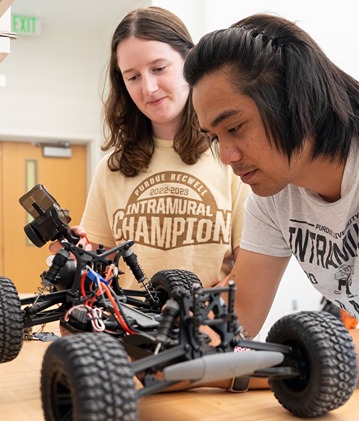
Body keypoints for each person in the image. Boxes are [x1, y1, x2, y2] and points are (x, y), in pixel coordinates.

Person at [183, 13, 359, 411]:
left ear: (295, 100)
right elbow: (236, 318)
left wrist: (237, 365)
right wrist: (163, 352)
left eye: (236, 127)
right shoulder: (272, 194)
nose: (227, 156)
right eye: (215, 138)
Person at [74, 7, 249, 291]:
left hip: (208, 330)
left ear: (189, 63)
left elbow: (248, 273)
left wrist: (199, 324)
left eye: (158, 68)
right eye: (133, 77)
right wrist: (73, 256)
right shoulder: (111, 169)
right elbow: (94, 268)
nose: (149, 88)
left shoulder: (232, 157)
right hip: (129, 331)